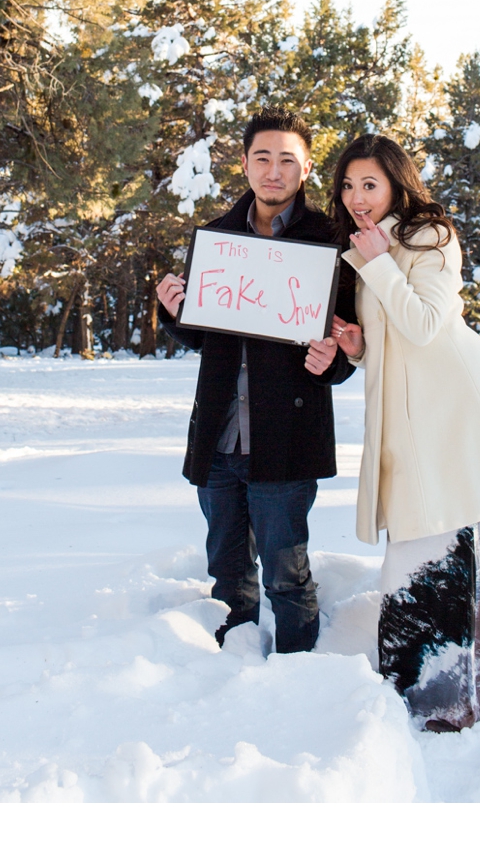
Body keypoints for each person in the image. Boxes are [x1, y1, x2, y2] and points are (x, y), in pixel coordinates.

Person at [327, 133, 480, 731]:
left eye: (369, 184)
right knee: (415, 554)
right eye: (348, 185)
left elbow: (425, 325)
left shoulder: (431, 237)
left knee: (457, 548)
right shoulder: (371, 246)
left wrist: (376, 263)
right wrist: (361, 346)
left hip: (456, 416)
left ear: (398, 183)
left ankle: (470, 698)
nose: (356, 197)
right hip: (411, 421)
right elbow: (397, 340)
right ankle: (420, 697)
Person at [157, 107, 357, 654]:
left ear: (306, 168)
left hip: (285, 439)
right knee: (227, 574)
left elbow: (346, 341)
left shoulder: (332, 242)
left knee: (287, 578)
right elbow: (207, 338)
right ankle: (232, 672)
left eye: (287, 160)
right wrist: (176, 313)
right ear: (244, 164)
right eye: (263, 157)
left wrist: (333, 361)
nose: (274, 170)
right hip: (219, 438)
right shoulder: (218, 239)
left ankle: (297, 678)